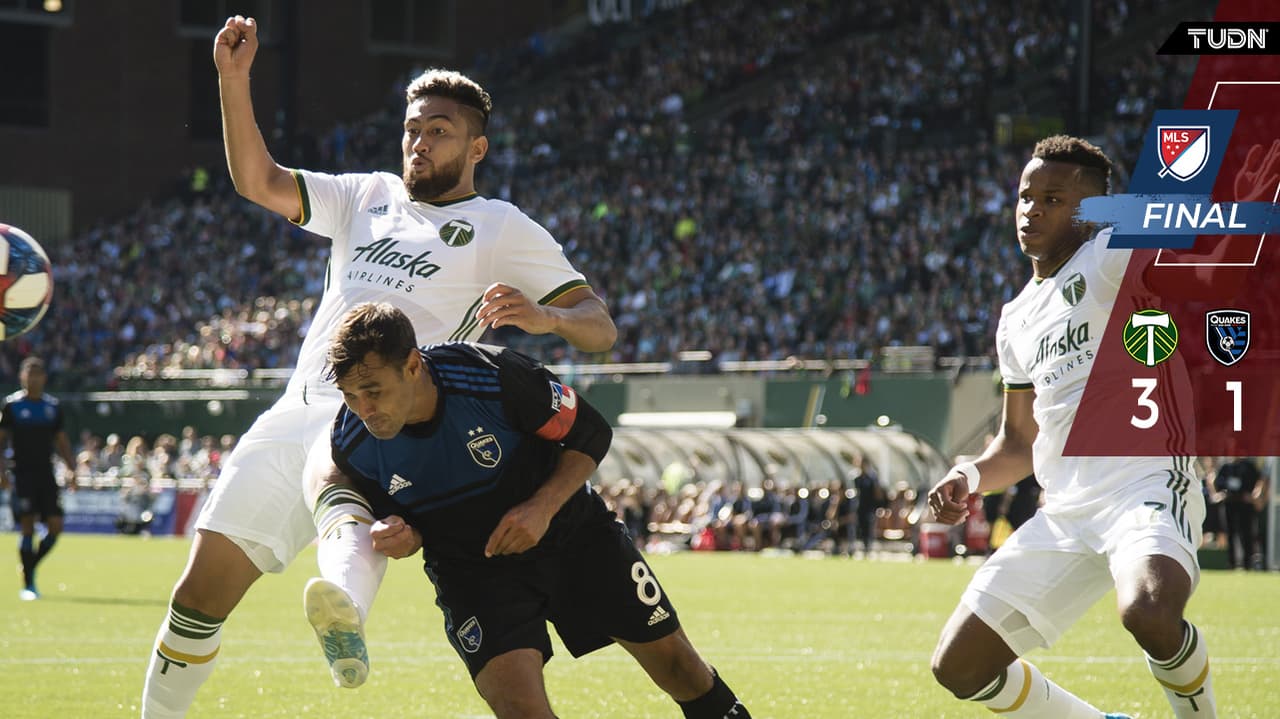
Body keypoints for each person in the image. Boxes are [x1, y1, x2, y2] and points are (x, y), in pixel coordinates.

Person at [141, 15, 617, 717]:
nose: (420, 143)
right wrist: (234, 81)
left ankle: (346, 616)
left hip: (386, 424)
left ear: (477, 147)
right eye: (413, 128)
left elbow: (599, 325)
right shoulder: (366, 195)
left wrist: (547, 317)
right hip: (295, 409)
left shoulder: (499, 226)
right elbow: (256, 180)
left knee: (347, 515)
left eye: (439, 131)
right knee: (196, 594)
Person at [307, 301, 750, 719]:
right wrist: (404, 537)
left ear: (412, 365)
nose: (363, 410)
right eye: (349, 395)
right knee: (521, 710)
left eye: (372, 391)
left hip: (575, 538)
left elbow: (590, 434)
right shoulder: (354, 444)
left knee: (681, 670)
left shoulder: (491, 377)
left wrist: (542, 507)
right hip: (473, 572)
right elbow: (403, 521)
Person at [927, 136, 1216, 719]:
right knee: (957, 666)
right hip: (1065, 511)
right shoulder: (1015, 319)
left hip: (1144, 484)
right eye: (1026, 196)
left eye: (1054, 198)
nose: (1031, 209)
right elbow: (1017, 443)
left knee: (1149, 613)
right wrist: (968, 474)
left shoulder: (1110, 254)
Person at [0, 357, 75, 600]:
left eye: (37, 374)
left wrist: (72, 469)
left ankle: (29, 565)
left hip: (46, 474)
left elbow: (61, 441)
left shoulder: (52, 407)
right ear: (22, 377)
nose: (33, 378)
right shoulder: (11, 406)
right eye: (28, 374)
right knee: (27, 526)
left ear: (44, 377)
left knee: (55, 527)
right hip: (22, 475)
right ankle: (29, 584)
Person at [1214, 456, 1261, 570]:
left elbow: (1257, 480)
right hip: (1229, 503)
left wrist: (1251, 495)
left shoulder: (1248, 466)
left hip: (1244, 504)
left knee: (1246, 534)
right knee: (1230, 534)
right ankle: (1232, 563)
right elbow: (1219, 482)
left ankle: (1247, 564)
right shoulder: (1225, 467)